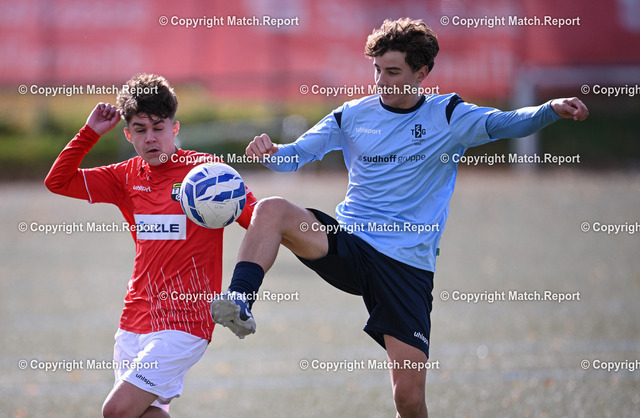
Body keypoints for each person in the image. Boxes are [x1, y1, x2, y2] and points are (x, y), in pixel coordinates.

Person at [211, 18, 589, 418]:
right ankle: (240, 300)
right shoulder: (352, 114)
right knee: (271, 209)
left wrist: (550, 110)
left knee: (407, 398)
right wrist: (272, 152)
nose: (381, 81)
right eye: (376, 70)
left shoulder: (449, 115)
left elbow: (505, 123)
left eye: (392, 71)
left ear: (421, 73)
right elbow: (295, 157)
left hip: (406, 266)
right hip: (350, 246)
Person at [45, 73, 256, 418]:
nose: (151, 137)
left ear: (175, 128)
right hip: (134, 319)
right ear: (128, 135)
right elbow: (58, 181)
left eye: (158, 127)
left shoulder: (208, 172)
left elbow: (258, 222)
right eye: (140, 129)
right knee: (145, 414)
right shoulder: (125, 176)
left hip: (185, 321)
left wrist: (244, 289)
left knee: (116, 410)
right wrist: (90, 133)